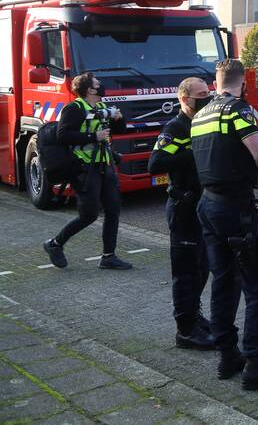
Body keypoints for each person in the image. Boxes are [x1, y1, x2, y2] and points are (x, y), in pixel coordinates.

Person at [191, 59, 258, 390]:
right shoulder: (238, 110)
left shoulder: (202, 114)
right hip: (236, 208)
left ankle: (227, 356)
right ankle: (256, 364)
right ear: (243, 84)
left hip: (208, 205)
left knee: (223, 282)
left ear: (215, 82)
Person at [149, 77, 214, 350]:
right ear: (185, 99)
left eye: (209, 93)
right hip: (182, 208)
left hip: (201, 207)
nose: (207, 99)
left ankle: (193, 314)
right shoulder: (176, 128)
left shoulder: (204, 122)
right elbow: (155, 164)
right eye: (202, 95)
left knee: (202, 267)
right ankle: (185, 331)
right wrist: (194, 152)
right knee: (186, 273)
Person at [43, 73, 132, 270]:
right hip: (84, 168)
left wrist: (119, 119)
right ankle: (54, 244)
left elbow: (120, 130)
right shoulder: (74, 108)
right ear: (90, 89)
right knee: (89, 215)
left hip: (105, 164)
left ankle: (108, 257)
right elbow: (63, 135)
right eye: (98, 84)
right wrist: (93, 136)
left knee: (113, 210)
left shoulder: (101, 107)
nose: (102, 86)